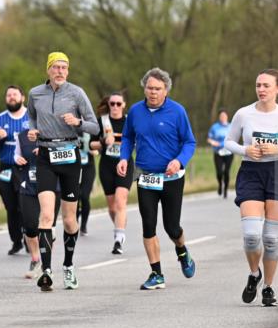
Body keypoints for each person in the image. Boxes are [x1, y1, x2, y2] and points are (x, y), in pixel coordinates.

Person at [223, 69, 278, 307]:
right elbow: (228, 141)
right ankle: (254, 274)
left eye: (266, 85)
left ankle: (269, 288)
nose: (261, 89)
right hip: (251, 172)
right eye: (258, 85)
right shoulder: (244, 114)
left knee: (270, 239)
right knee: (251, 236)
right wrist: (245, 150)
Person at [118, 68, 198, 290]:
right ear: (144, 88)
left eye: (157, 89)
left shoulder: (177, 112)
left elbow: (189, 142)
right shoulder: (135, 111)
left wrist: (179, 161)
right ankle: (156, 273)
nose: (152, 92)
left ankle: (182, 251)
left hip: (171, 177)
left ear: (166, 91)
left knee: (172, 227)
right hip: (145, 176)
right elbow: (127, 137)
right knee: (148, 225)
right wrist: (124, 157)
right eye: (149, 88)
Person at [26, 52, 99, 292]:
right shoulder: (35, 93)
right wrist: (33, 132)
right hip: (46, 155)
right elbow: (32, 118)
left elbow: (95, 126)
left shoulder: (77, 93)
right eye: (55, 67)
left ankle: (68, 265)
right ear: (48, 70)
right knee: (46, 216)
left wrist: (78, 123)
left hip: (70, 155)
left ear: (68, 71)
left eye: (64, 68)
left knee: (69, 220)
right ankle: (47, 271)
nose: (60, 71)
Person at [0, 85, 30, 255]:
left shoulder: (31, 116)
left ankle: (29, 238)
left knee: (24, 205)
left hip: (26, 168)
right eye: (8, 95)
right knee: (11, 206)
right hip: (5, 168)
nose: (11, 97)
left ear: (22, 97)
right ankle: (16, 241)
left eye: (15, 94)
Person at [13, 128, 60, 279]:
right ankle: (35, 259)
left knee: (47, 225)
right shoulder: (21, 136)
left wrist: (46, 153)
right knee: (30, 226)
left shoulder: (56, 132)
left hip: (52, 185)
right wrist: (16, 159)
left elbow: (65, 155)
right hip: (29, 186)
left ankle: (46, 265)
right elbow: (15, 154)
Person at [95, 93, 133, 254]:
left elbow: (138, 141)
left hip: (124, 164)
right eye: (112, 104)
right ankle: (120, 225)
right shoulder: (102, 122)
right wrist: (103, 142)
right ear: (109, 104)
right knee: (112, 207)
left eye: (118, 104)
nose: (115, 107)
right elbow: (91, 144)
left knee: (120, 201)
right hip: (106, 166)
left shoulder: (129, 122)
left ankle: (118, 240)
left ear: (124, 105)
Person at [207, 109, 234, 198]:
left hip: (229, 152)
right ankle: (220, 185)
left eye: (224, 116)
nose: (222, 117)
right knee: (219, 172)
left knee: (226, 172)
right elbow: (209, 139)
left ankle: (225, 189)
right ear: (219, 117)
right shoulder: (215, 127)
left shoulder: (231, 127)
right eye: (221, 116)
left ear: (227, 116)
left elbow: (235, 138)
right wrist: (213, 142)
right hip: (218, 152)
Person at [76, 132, 95, 235]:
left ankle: (83, 225)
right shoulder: (70, 130)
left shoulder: (90, 131)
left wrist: (90, 149)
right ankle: (75, 222)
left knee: (84, 196)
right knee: (75, 196)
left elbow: (96, 151)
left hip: (88, 168)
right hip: (74, 168)